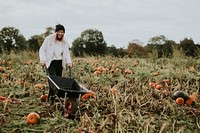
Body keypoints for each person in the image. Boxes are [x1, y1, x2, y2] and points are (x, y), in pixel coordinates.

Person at [39, 24, 72, 105]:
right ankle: (51, 99)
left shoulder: (64, 42)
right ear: (56, 32)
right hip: (50, 62)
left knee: (58, 82)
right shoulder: (49, 39)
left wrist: (69, 62)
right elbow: (42, 50)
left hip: (59, 63)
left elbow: (67, 53)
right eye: (59, 32)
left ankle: (54, 97)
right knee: (53, 81)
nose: (60, 34)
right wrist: (43, 59)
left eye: (62, 32)